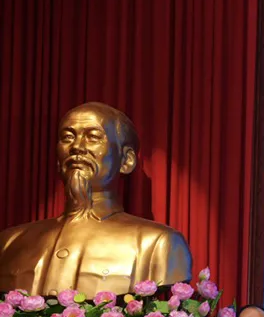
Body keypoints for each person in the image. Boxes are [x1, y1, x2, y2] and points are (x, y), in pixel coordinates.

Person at [0, 102, 191, 295]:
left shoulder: (156, 244)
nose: (77, 147)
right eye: (67, 137)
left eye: (93, 137)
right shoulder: (10, 242)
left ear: (126, 160)